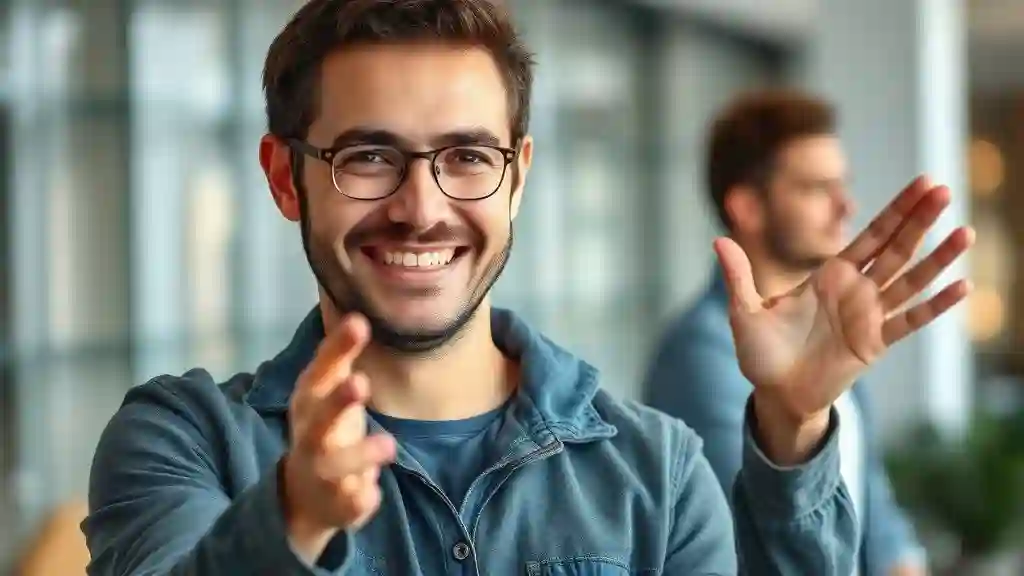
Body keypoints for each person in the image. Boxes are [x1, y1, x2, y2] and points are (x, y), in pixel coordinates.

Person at [81, 2, 970, 574]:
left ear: (518, 177)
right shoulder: (182, 443)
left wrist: (792, 432)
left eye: (468, 156)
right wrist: (290, 525)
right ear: (285, 177)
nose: (421, 208)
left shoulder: (653, 472)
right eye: (368, 156)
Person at [643, 90, 971, 576]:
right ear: (748, 207)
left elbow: (873, 512)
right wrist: (788, 417)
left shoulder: (828, 335)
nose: (846, 205)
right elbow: (754, 549)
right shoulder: (700, 354)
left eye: (844, 184)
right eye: (818, 188)